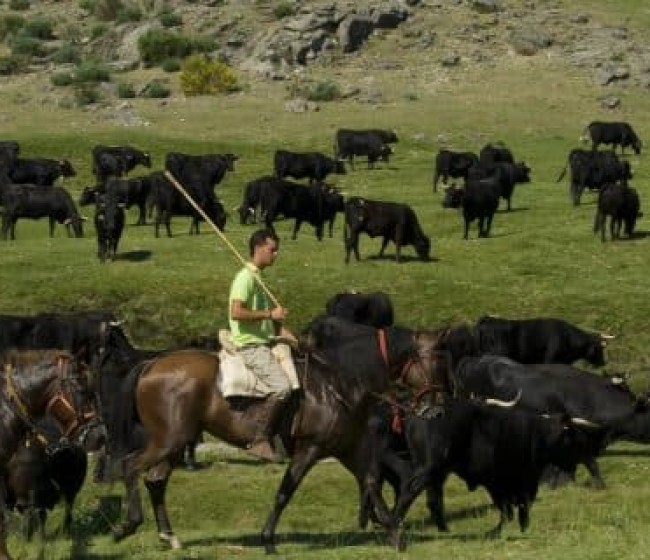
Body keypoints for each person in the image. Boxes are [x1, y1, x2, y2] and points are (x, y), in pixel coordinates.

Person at [228, 228, 299, 462]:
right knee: (282, 388)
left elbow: (271, 323)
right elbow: (236, 312)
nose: (276, 254)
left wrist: (287, 334)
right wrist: (270, 314)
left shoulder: (258, 278)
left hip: (265, 341)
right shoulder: (245, 278)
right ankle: (260, 439)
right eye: (272, 249)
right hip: (251, 346)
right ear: (258, 248)